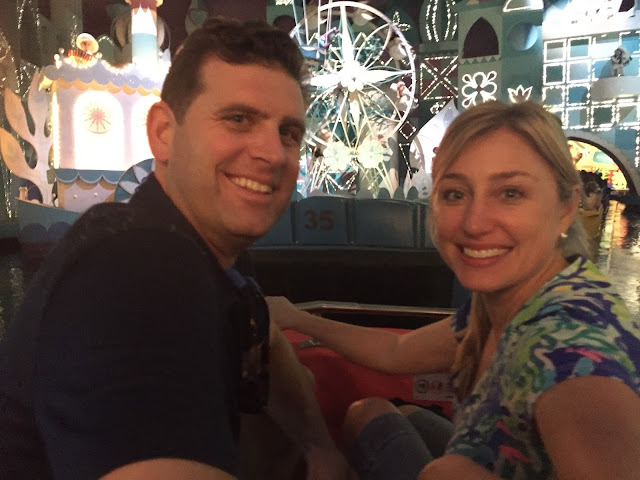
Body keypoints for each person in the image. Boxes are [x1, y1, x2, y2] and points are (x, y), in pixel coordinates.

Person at [0, 17, 348, 480]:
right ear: (163, 132)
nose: (273, 153)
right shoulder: (137, 269)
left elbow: (260, 330)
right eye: (239, 119)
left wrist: (319, 448)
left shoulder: (202, 253)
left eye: (289, 132)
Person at [268, 100, 640, 480]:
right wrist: (300, 318)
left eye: (511, 193)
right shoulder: (507, 304)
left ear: (566, 207)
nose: (474, 224)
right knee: (376, 411)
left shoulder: (567, 345)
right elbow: (395, 351)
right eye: (455, 194)